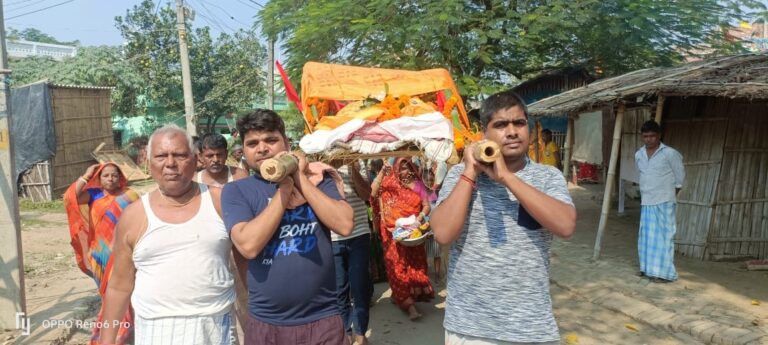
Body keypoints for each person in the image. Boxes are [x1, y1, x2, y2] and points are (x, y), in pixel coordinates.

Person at [431, 90, 576, 345]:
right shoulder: (460, 177)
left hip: (531, 326)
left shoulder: (547, 177)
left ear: (528, 128)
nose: (511, 132)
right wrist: (470, 172)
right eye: (500, 125)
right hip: (471, 327)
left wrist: (507, 178)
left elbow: (565, 226)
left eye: (519, 123)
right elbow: (442, 234)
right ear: (484, 133)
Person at [221, 109, 354, 344]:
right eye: (252, 143)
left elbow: (344, 225)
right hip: (267, 323)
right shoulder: (236, 191)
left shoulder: (317, 180)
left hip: (323, 319)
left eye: (271, 140)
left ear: (286, 143)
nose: (262, 148)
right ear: (243, 151)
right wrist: (284, 188)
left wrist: (298, 177)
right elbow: (249, 246)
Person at [99, 125, 235, 345]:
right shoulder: (134, 216)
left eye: (180, 155)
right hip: (155, 331)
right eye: (161, 155)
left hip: (216, 326)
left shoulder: (221, 202)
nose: (171, 163)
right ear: (148, 161)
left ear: (194, 159)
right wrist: (106, 341)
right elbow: (119, 286)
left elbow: (247, 266)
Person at [63, 163, 139, 345]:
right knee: (108, 295)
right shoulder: (93, 195)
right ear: (99, 178)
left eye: (114, 175)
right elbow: (69, 198)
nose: (111, 179)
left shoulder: (130, 195)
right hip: (99, 256)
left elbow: (141, 218)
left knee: (126, 293)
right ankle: (116, 333)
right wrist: (86, 176)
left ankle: (122, 334)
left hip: (125, 252)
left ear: (120, 176)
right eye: (106, 176)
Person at [371, 157, 434, 321]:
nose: (403, 172)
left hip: (413, 233)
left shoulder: (418, 185)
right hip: (392, 233)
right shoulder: (389, 182)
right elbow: (372, 191)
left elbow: (427, 205)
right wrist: (381, 173)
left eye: (406, 168)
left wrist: (419, 219)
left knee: (415, 265)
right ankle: (409, 305)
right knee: (397, 268)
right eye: (400, 168)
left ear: (412, 169)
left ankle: (403, 296)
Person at [635, 120, 685, 283]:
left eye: (652, 136)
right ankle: (647, 268)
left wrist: (669, 194)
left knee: (664, 237)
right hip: (647, 200)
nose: (649, 139)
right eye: (645, 136)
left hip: (664, 201)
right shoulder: (639, 154)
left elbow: (680, 178)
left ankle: (663, 273)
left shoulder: (670, 154)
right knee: (647, 237)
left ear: (659, 136)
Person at [331, 160, 372, 345]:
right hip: (332, 237)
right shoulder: (318, 163)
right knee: (339, 290)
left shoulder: (356, 162)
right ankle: (346, 334)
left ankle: (361, 334)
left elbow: (366, 194)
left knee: (359, 287)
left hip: (359, 233)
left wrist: (353, 167)